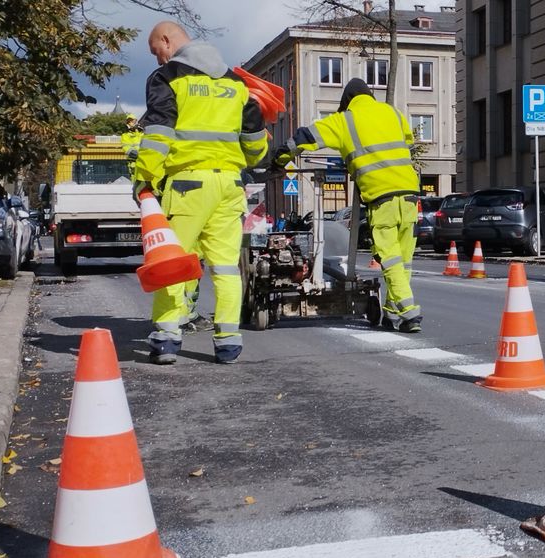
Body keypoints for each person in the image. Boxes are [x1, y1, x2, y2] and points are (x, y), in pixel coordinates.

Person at [132, 21, 268, 364]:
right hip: (229, 186)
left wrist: (144, 177)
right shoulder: (237, 83)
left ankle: (166, 339)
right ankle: (228, 342)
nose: (158, 59)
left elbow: (159, 131)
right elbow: (255, 144)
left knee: (173, 263)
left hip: (187, 185)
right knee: (225, 267)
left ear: (167, 40)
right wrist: (245, 159)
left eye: (156, 51)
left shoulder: (169, 77)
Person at [275, 79, 423, 332]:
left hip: (381, 195)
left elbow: (303, 137)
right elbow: (406, 140)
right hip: (409, 193)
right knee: (403, 259)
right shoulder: (393, 113)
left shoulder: (345, 120)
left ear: (346, 102)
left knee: (389, 258)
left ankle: (409, 312)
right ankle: (392, 315)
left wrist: (279, 158)